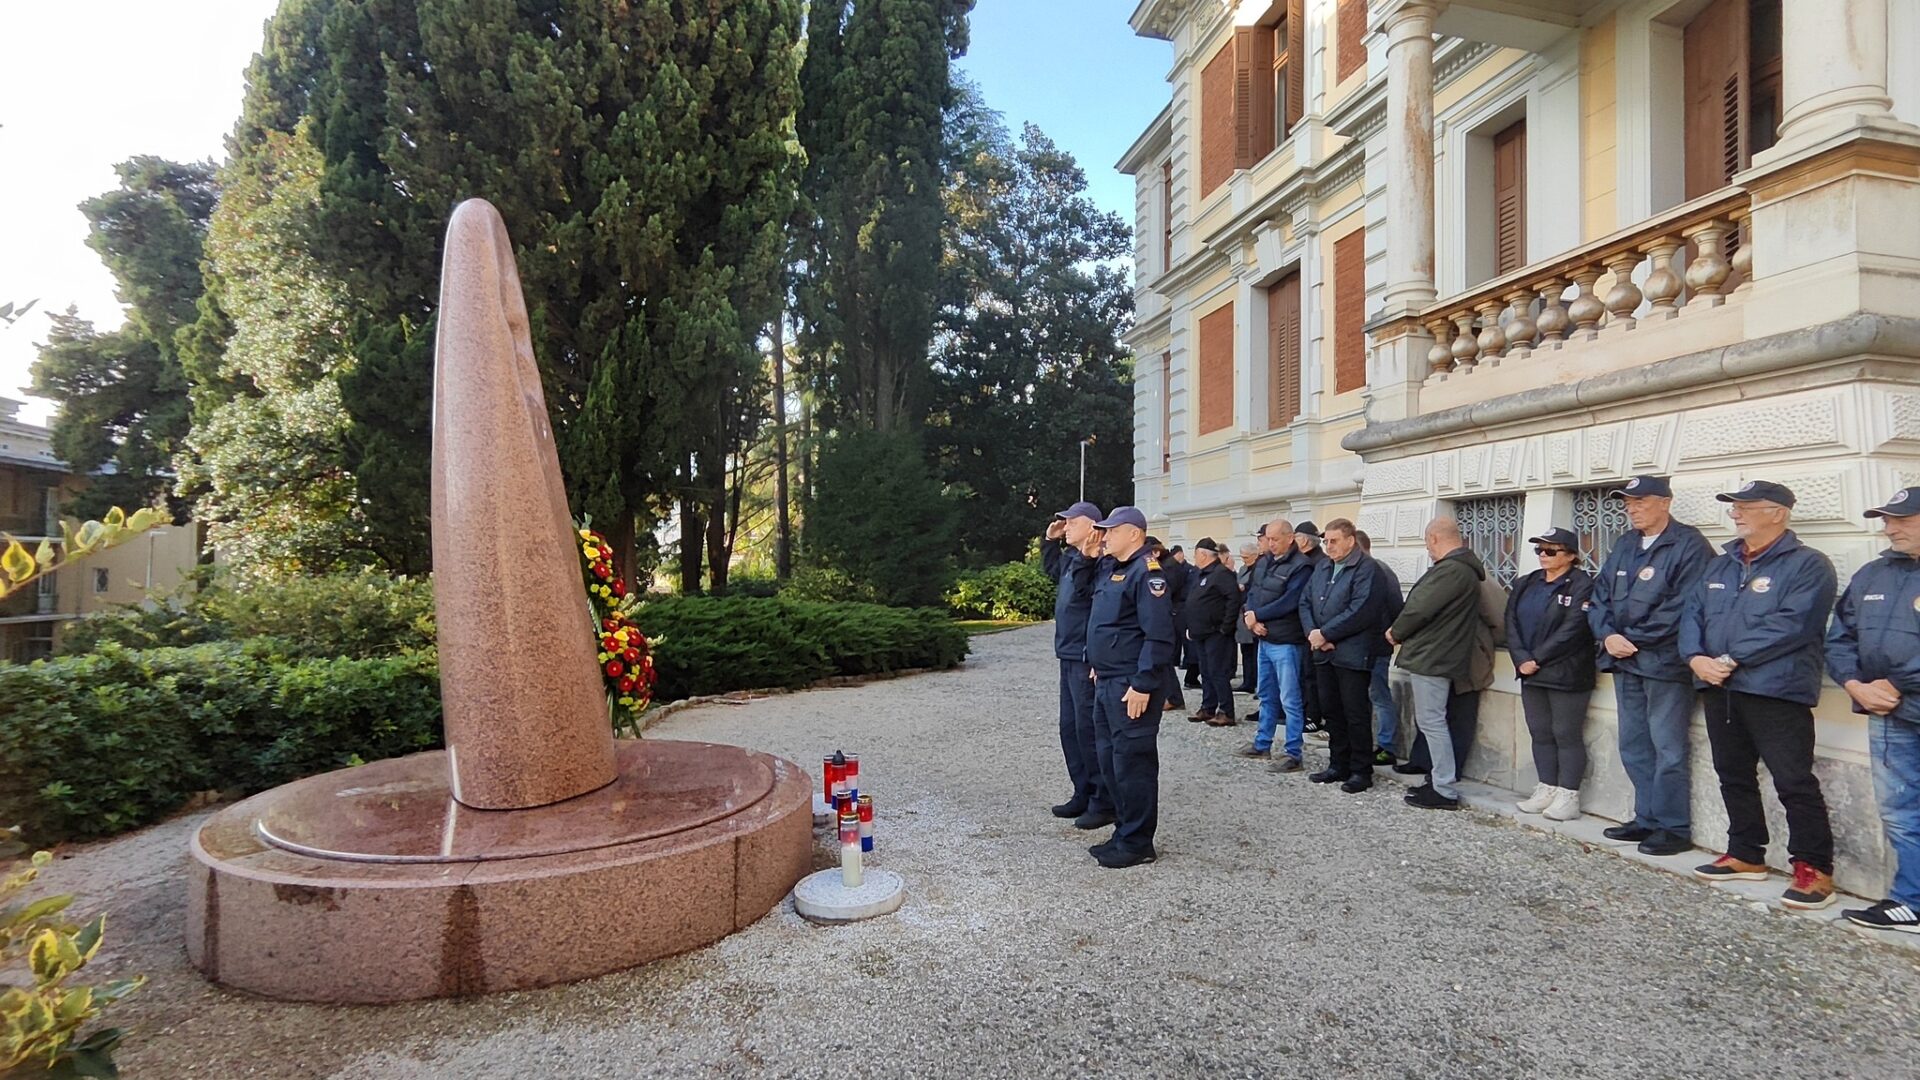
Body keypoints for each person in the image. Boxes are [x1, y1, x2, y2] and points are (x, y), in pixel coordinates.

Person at [1680, 480, 1838, 909]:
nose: (1736, 513)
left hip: (1776, 689)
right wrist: (1694, 657)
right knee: (1732, 773)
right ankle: (1747, 853)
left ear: (1778, 513)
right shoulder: (1722, 563)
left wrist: (1730, 658)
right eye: (1735, 506)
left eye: (1747, 506)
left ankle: (1814, 868)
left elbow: (1794, 624)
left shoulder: (1808, 565)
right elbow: (1692, 612)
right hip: (1719, 686)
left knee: (1793, 781)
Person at [1587, 474, 1713, 857]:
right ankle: (1646, 817)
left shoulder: (1689, 545)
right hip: (1624, 661)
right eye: (1628, 503)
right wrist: (1608, 635)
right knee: (1634, 745)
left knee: (1668, 748)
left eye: (1640, 502)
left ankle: (1673, 827)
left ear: (1665, 502)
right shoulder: (1625, 544)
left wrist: (1634, 639)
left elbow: (1684, 606)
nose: (1633, 509)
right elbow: (1600, 594)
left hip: (1665, 664)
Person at [1826, 485, 1920, 933]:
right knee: (1900, 811)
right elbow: (1839, 637)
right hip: (1887, 714)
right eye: (1886, 519)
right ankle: (1911, 901)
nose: (1890, 527)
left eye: (1902, 518)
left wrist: (1896, 683)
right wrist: (1854, 684)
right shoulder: (1872, 574)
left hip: (1898, 697)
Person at [1085, 506, 1177, 868]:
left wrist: (1143, 683)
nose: (1104, 537)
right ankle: (1124, 831)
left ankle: (1139, 842)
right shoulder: (1115, 569)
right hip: (1108, 680)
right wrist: (1098, 662)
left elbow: (1158, 636)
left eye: (1111, 531)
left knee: (1132, 764)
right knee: (1111, 761)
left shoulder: (1147, 574)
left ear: (1134, 534)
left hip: (1130, 686)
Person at [1387, 519, 1490, 810]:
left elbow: (1420, 608)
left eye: (1426, 542)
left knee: (1432, 722)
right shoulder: (1462, 570)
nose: (1427, 548)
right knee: (1434, 721)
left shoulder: (1452, 571)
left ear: (1434, 538)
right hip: (1439, 654)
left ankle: (1443, 788)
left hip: (1434, 656)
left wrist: (1396, 632)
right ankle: (1438, 781)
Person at [1506, 527, 1598, 822]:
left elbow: (1574, 628)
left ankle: (1568, 794)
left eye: (1551, 551)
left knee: (1565, 732)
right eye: (1540, 551)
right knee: (1540, 731)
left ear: (1571, 555)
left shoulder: (1581, 584)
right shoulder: (1527, 582)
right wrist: (1521, 658)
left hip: (1566, 671)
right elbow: (1510, 620)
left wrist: (1537, 658)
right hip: (1530, 670)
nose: (1543, 556)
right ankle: (1546, 787)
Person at [1300, 519, 1387, 792]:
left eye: (1334, 541)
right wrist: (1314, 633)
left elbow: (1361, 610)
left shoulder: (1367, 569)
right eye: (1326, 541)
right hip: (1323, 652)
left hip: (1352, 653)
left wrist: (1326, 633)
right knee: (1332, 711)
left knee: (1355, 712)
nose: (1329, 546)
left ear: (1350, 540)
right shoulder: (1323, 566)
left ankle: (1361, 770)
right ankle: (1338, 763)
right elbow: (1305, 601)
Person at [1042, 501, 1112, 829]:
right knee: (1069, 729)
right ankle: (1082, 791)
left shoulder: (1100, 560)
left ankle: (1102, 799)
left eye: (1071, 522)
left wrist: (1087, 555)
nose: (1065, 526)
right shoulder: (1073, 557)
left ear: (1091, 526)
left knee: (1088, 730)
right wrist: (1049, 540)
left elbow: (1090, 594)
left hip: (1085, 656)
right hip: (1067, 654)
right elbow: (1051, 570)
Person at [1236, 519, 1315, 772]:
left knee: (1290, 699)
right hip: (1265, 638)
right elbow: (1253, 593)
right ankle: (1262, 743)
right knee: (1267, 696)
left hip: (1287, 641)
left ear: (1290, 538)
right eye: (1267, 539)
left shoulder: (1302, 566)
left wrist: (1258, 616)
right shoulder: (1265, 562)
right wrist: (1251, 617)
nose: (1270, 543)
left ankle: (1293, 752)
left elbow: (1291, 601)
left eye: (1275, 539)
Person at [1356, 531, 1404, 765]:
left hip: (1376, 645)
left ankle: (1387, 746)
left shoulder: (1380, 571)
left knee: (1379, 695)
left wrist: (1387, 636)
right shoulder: (1363, 570)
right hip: (1360, 646)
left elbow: (1396, 608)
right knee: (1364, 696)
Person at [1184, 539, 1242, 727]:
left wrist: (1226, 626)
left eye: (1196, 554)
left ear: (1203, 555)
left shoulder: (1221, 574)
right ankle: (1208, 707)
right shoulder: (1202, 574)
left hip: (1216, 632)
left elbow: (1233, 599)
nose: (1194, 558)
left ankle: (1226, 710)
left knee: (1218, 672)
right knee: (1206, 672)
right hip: (1201, 632)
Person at [1293, 522, 1329, 737]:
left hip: (1317, 631)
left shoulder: (1315, 563)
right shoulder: (1313, 561)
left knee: (1312, 677)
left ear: (1304, 540)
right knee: (1307, 675)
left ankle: (1314, 716)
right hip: (1308, 628)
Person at [1149, 537, 1190, 712]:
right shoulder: (1167, 565)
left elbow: (1164, 593)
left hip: (1172, 614)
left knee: (1164, 659)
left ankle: (1174, 697)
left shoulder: (1167, 568)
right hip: (1171, 613)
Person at [1235, 542, 1261, 693]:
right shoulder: (1243, 569)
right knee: (1245, 649)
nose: (1244, 560)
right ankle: (1247, 680)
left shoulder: (1259, 568)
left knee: (1255, 651)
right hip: (1242, 613)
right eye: (1242, 557)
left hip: (1252, 612)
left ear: (1254, 555)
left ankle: (1255, 681)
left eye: (1246, 557)